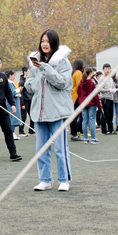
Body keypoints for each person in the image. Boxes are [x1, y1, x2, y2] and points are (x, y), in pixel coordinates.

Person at [25, 29, 73, 191]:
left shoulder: (63, 62)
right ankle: (45, 179)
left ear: (54, 43)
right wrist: (31, 84)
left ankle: (64, 179)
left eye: (48, 41)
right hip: (39, 111)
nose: (44, 44)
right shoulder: (35, 62)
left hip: (58, 112)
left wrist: (45, 68)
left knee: (60, 148)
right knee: (41, 148)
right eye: (42, 41)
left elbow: (62, 82)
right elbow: (29, 81)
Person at [76, 68, 102, 143]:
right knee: (92, 120)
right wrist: (99, 106)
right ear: (90, 74)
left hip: (83, 104)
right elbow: (95, 95)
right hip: (91, 103)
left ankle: (86, 138)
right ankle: (93, 138)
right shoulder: (92, 82)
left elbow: (79, 94)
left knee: (85, 120)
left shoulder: (80, 83)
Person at [99, 63, 116, 135]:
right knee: (105, 114)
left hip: (111, 98)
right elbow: (100, 89)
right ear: (103, 70)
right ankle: (104, 130)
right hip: (104, 98)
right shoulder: (101, 79)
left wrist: (114, 90)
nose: (107, 70)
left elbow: (113, 87)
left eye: (109, 68)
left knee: (110, 114)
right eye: (106, 69)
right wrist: (108, 90)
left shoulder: (110, 79)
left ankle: (111, 129)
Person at [69, 59, 84, 140]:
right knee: (75, 116)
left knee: (73, 116)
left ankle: (73, 133)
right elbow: (80, 85)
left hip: (72, 96)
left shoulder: (73, 72)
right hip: (77, 97)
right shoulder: (78, 73)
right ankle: (74, 134)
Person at [19, 66, 34, 136]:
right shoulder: (22, 81)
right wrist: (22, 104)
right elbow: (21, 93)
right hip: (25, 100)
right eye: (28, 71)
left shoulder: (30, 79)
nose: (29, 73)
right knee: (23, 116)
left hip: (30, 99)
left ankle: (31, 130)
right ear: (25, 72)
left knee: (32, 116)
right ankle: (21, 131)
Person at [6, 70, 22, 137]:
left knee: (15, 118)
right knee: (12, 118)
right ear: (10, 75)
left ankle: (12, 132)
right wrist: (18, 90)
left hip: (15, 103)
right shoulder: (8, 84)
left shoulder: (11, 83)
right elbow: (11, 93)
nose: (15, 77)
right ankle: (11, 133)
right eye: (14, 75)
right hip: (11, 104)